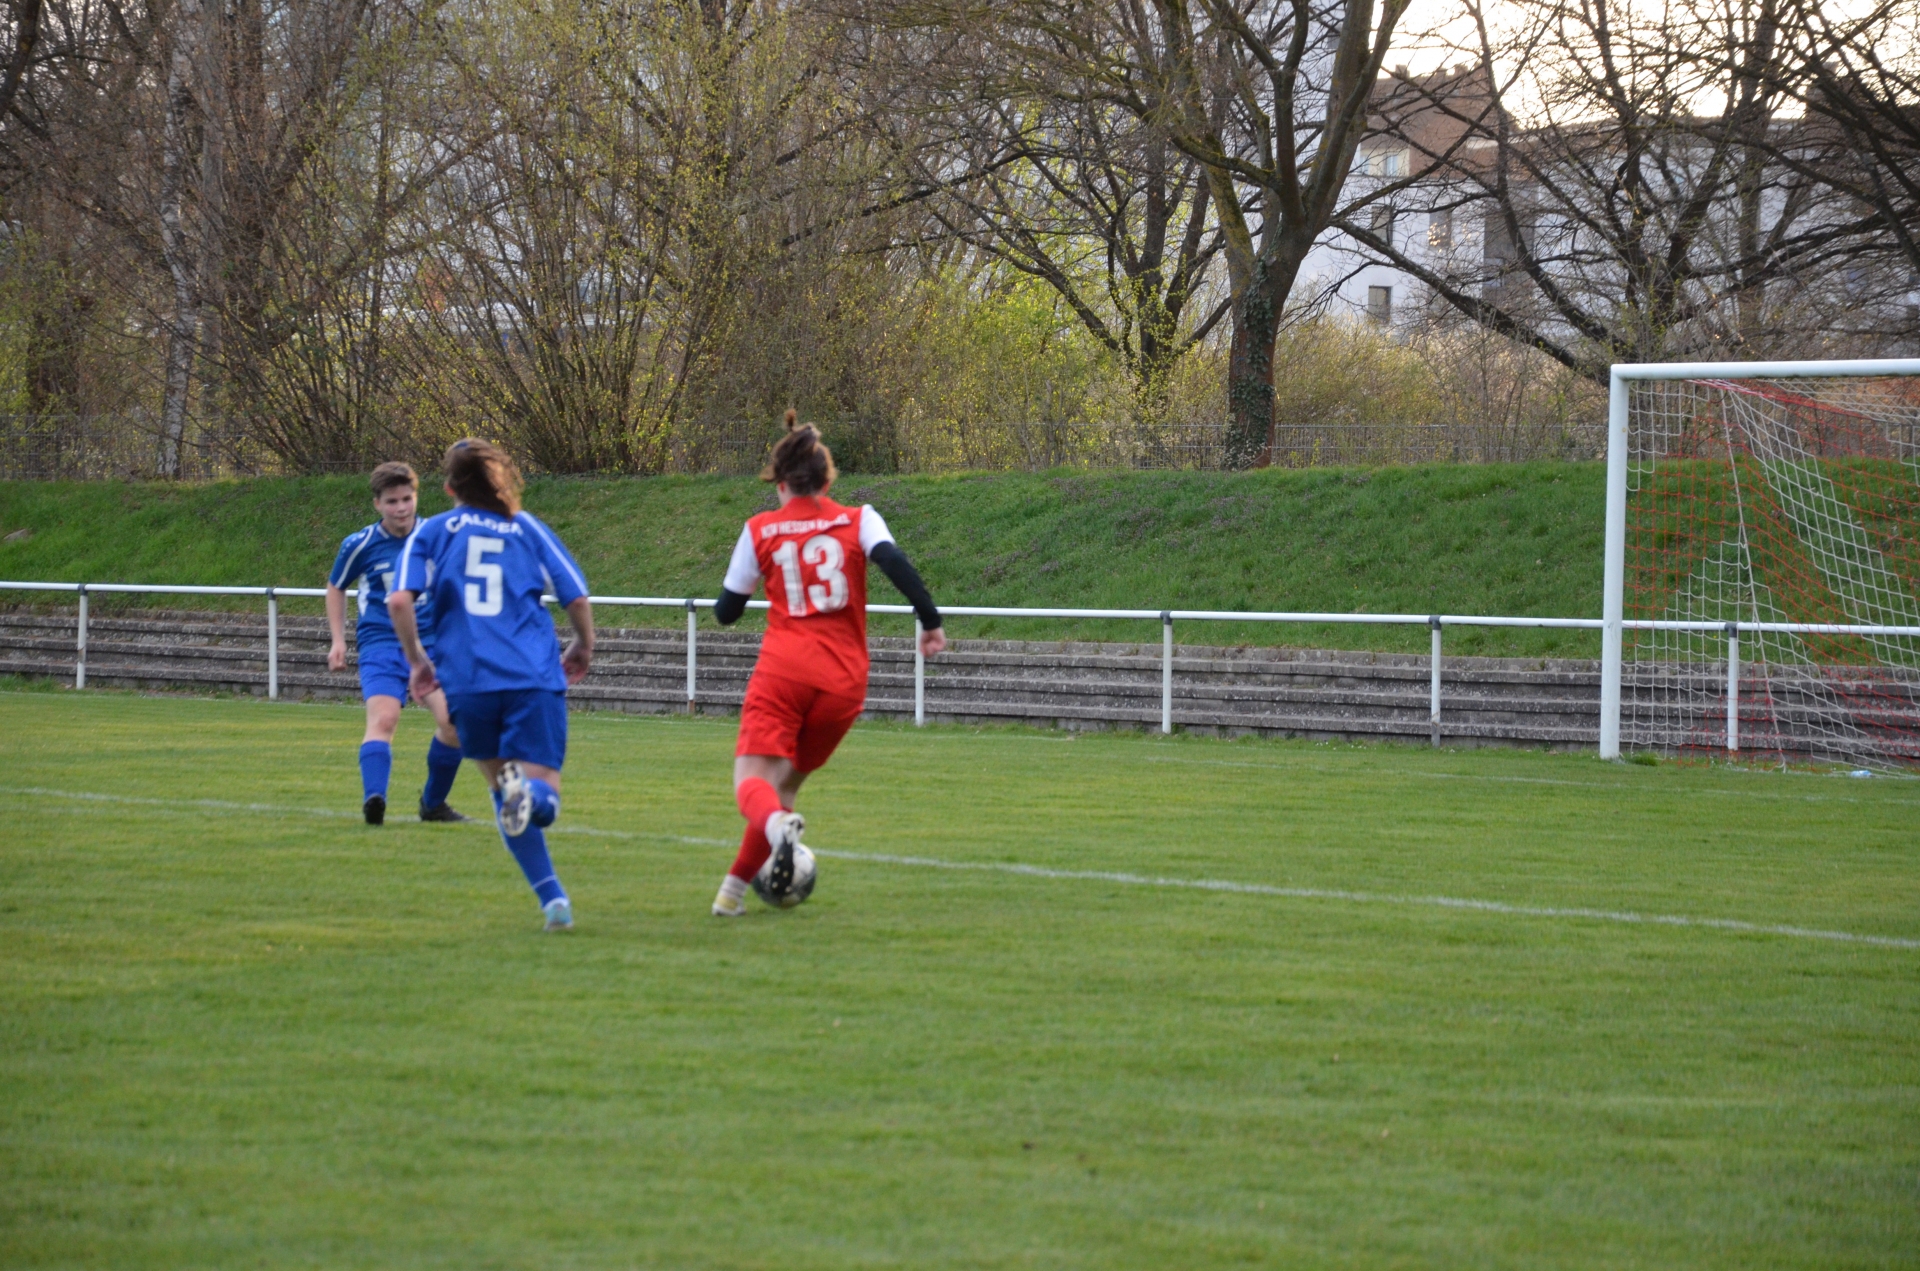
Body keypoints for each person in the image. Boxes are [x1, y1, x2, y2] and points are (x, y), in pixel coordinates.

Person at [708, 410, 946, 917]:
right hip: (844, 683)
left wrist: (752, 579)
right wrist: (930, 621)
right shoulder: (860, 518)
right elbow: (894, 562)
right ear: (826, 478)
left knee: (751, 784)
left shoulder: (760, 529)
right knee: (785, 787)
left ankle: (777, 832)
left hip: (785, 670)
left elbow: (727, 613)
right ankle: (730, 895)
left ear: (779, 481)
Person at [389, 440, 594, 933]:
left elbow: (399, 601)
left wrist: (417, 661)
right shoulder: (525, 527)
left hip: (468, 684)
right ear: (499, 481)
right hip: (532, 678)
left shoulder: (432, 531)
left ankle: (554, 903)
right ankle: (532, 797)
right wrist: (583, 644)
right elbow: (576, 594)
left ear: (448, 488)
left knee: (504, 795)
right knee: (541, 798)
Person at [326, 462, 470, 826]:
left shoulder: (438, 535)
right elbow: (336, 586)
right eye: (392, 501)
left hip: (433, 644)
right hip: (382, 643)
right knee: (384, 718)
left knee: (453, 724)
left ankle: (433, 804)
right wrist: (338, 639)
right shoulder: (359, 544)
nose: (402, 508)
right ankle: (374, 798)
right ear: (377, 504)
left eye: (407, 499)